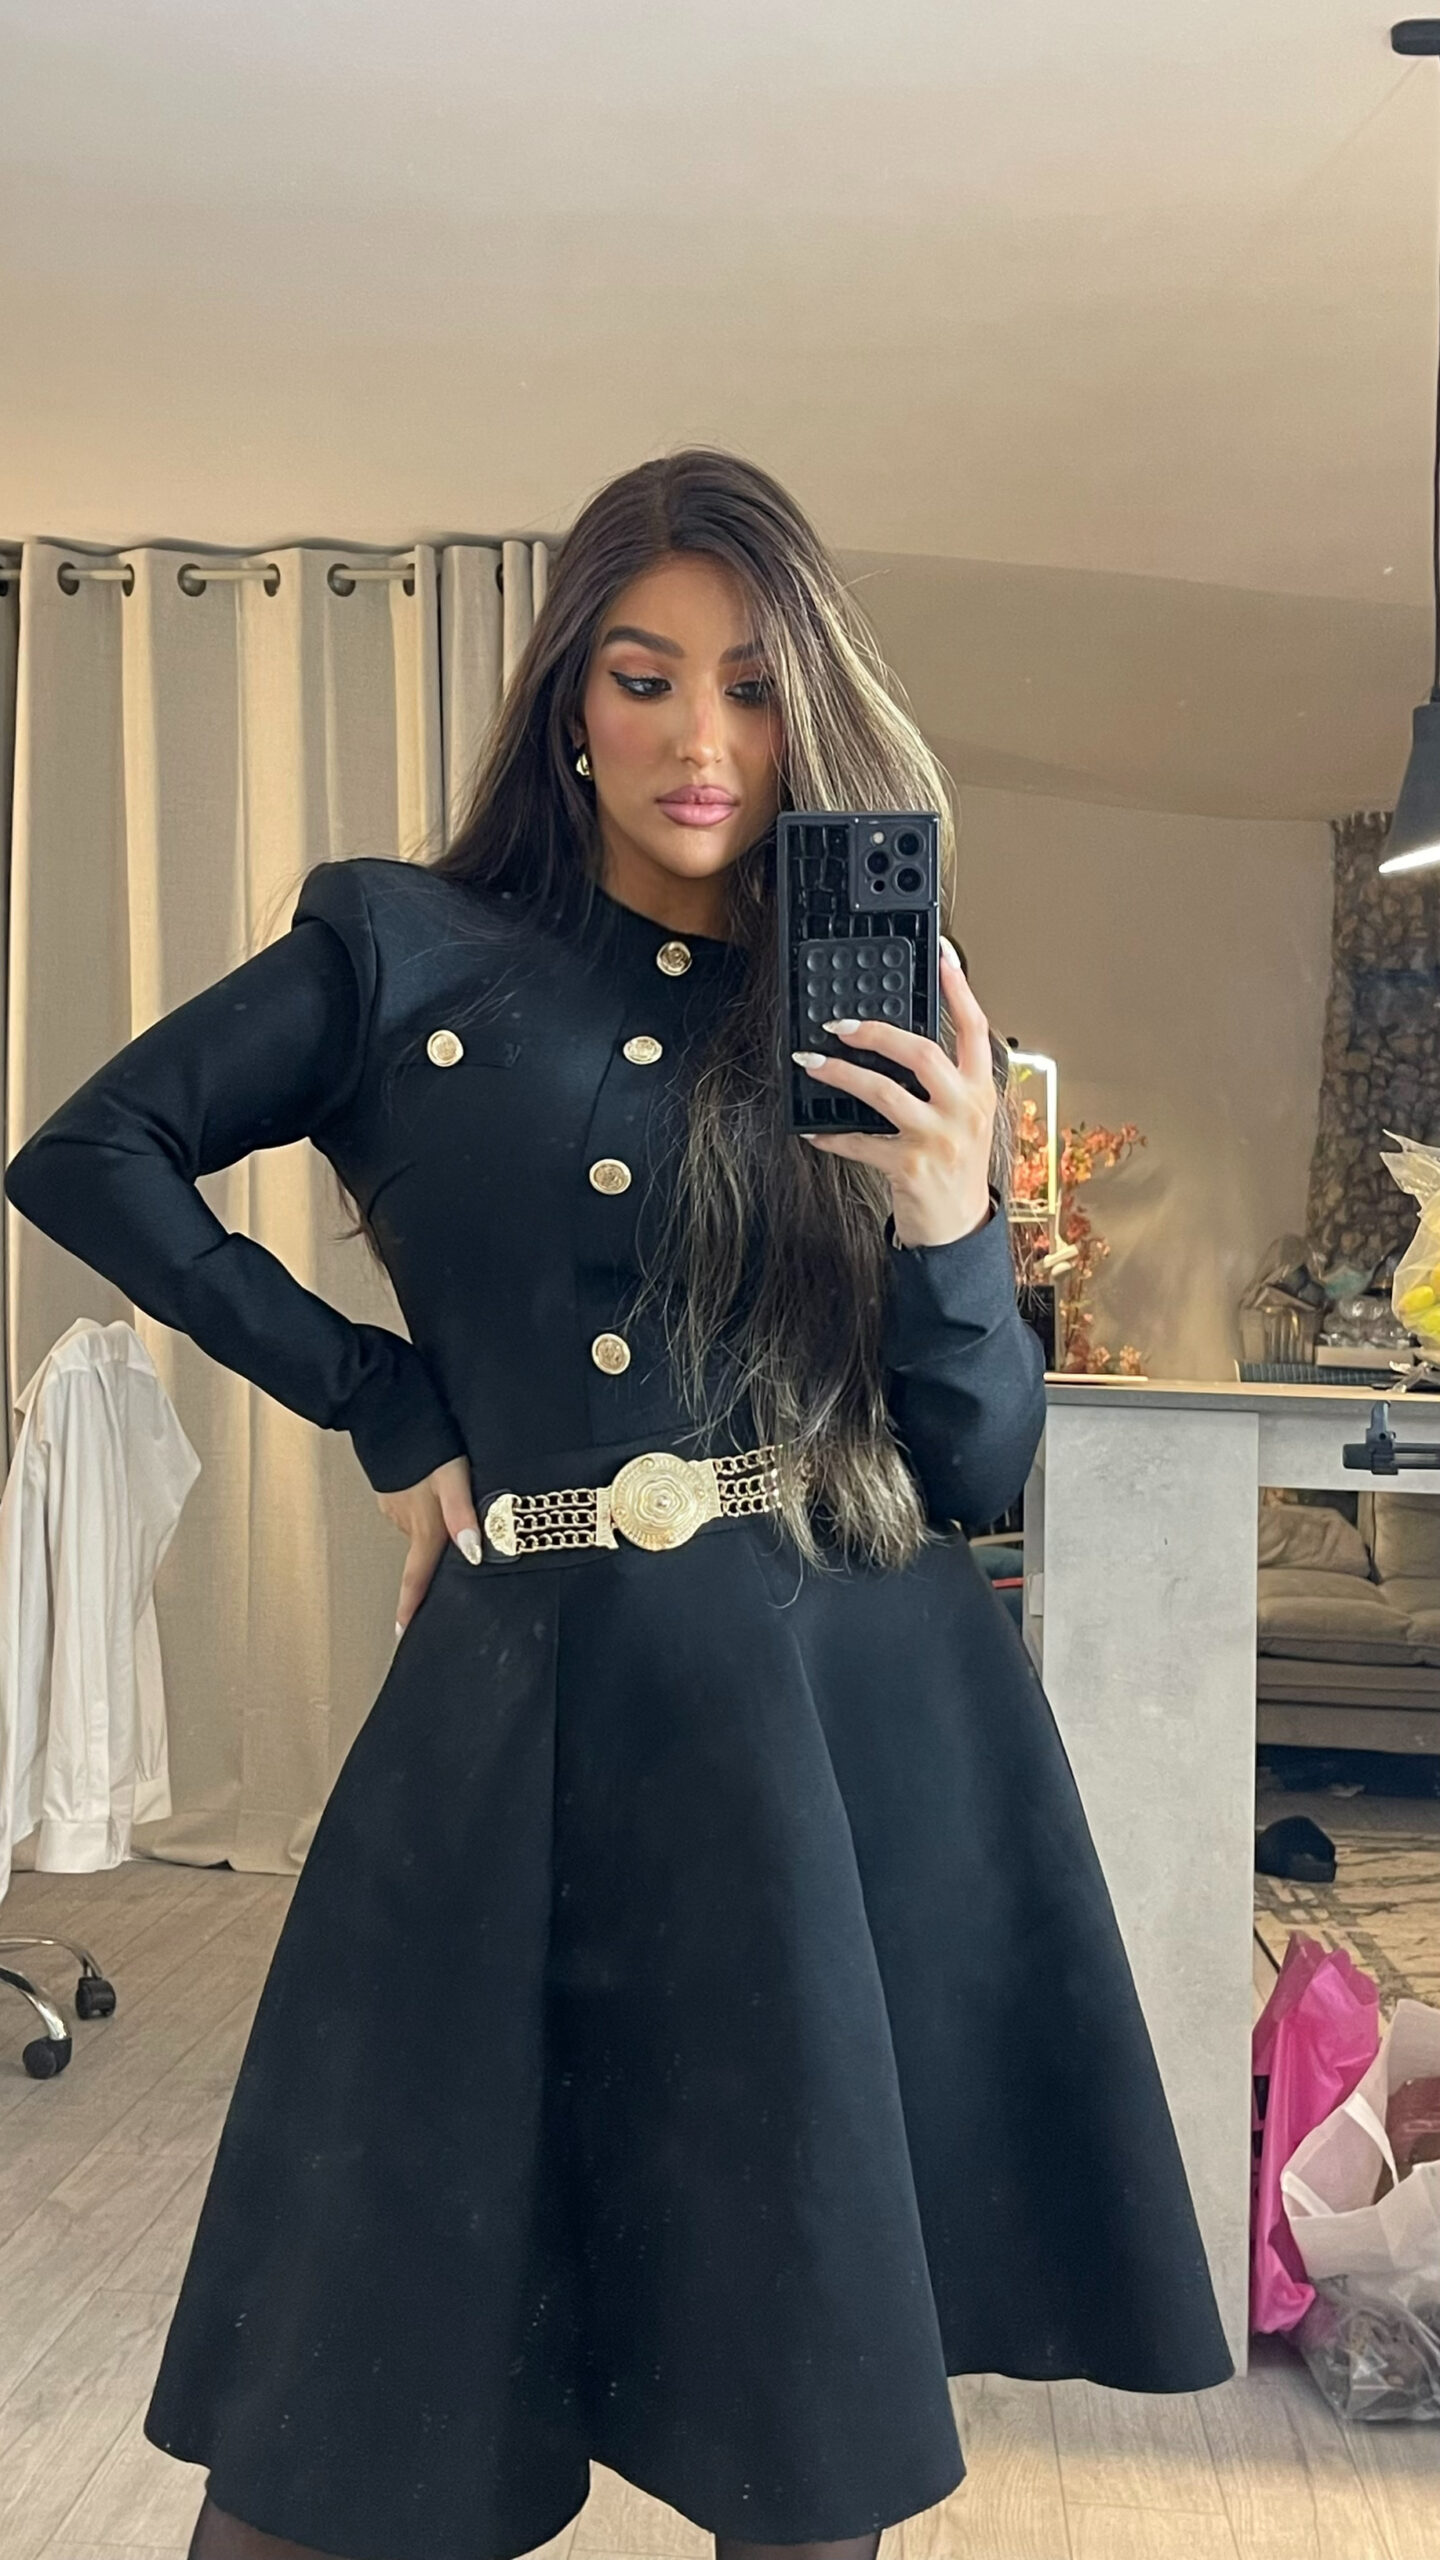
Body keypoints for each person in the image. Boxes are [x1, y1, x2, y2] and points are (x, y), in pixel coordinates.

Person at [2, 448, 1234, 2560]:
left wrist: (957, 1222)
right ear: (570, 696)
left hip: (833, 1725)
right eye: (645, 678)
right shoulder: (403, 946)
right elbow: (91, 1150)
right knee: (345, 2397)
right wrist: (386, 1403)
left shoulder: (871, 997)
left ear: (810, 711)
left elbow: (970, 1466)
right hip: (513, 1712)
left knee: (802, 2407)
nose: (700, 740)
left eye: (753, 687)